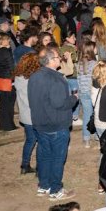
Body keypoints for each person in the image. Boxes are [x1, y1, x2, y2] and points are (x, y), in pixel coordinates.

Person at [29, 47, 78, 200]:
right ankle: (56, 189)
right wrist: (74, 98)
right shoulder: (56, 79)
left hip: (40, 123)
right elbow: (60, 104)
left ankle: (43, 185)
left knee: (44, 155)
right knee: (58, 157)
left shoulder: (34, 77)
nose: (60, 59)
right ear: (50, 60)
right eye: (57, 57)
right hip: (56, 125)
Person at [14, 52, 40, 175]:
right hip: (36, 115)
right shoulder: (34, 80)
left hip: (25, 115)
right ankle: (40, 167)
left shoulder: (18, 78)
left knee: (30, 140)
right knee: (41, 141)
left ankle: (25, 165)